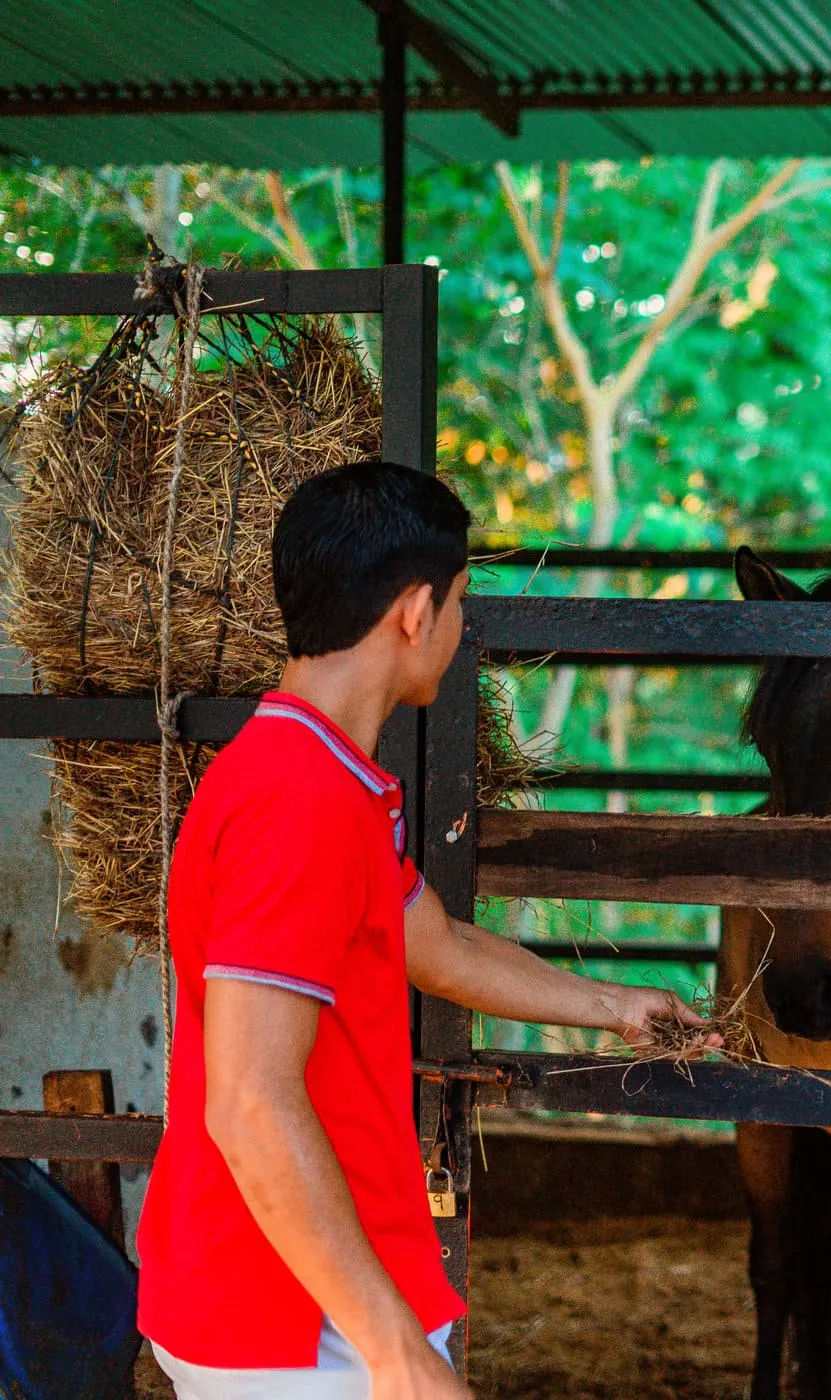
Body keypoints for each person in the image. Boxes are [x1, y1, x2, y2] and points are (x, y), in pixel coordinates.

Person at [136, 460, 709, 1400]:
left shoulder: (320, 777)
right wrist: (391, 1347)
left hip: (304, 1292)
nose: (458, 627)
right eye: (459, 604)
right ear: (414, 612)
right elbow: (250, 1100)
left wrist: (615, 1006)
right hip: (293, 1319)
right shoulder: (299, 804)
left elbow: (432, 944)